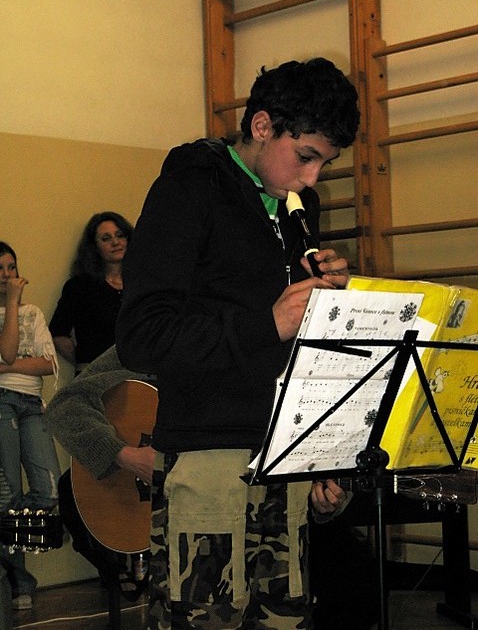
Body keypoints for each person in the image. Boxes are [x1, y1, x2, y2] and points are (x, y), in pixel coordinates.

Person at [115, 57, 360, 630]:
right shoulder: (188, 189)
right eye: (306, 156)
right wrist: (266, 323)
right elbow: (141, 335)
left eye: (324, 163)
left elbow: (293, 350)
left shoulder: (298, 208)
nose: (312, 179)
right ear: (262, 126)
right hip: (209, 464)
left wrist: (321, 456)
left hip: (283, 459)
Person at [44, 345, 156, 600]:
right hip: (145, 496)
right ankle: (117, 571)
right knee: (69, 492)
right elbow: (64, 407)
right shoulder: (140, 346)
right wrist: (123, 455)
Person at [0, 241, 61, 610]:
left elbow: (49, 364)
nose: (7, 275)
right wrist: (10, 303)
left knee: (47, 489)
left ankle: (12, 560)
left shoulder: (33, 312)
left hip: (32, 404)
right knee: (8, 497)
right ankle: (18, 582)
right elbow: (10, 349)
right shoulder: (13, 309)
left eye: (12, 267)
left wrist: (6, 367)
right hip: (1, 403)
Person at [49, 211, 133, 374]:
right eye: (106, 238)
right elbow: (58, 334)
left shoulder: (142, 284)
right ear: (94, 247)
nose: (115, 242)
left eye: (120, 235)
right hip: (95, 376)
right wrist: (87, 364)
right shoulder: (80, 286)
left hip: (137, 376)